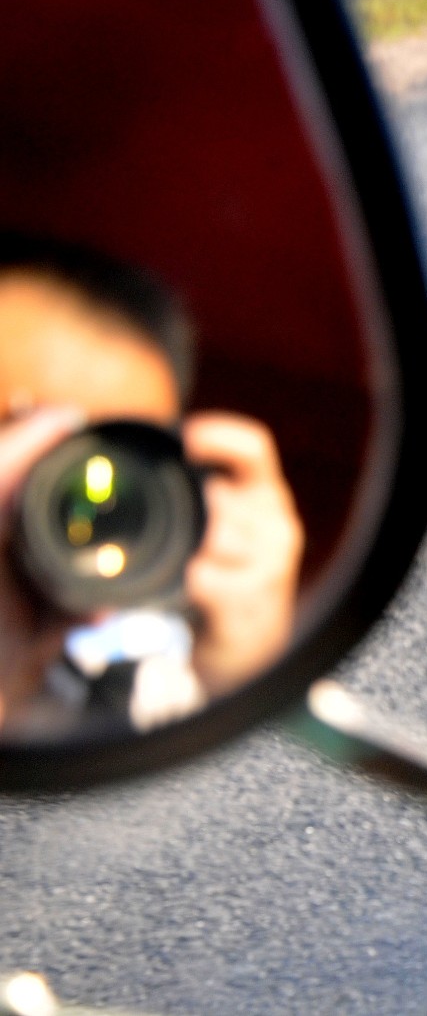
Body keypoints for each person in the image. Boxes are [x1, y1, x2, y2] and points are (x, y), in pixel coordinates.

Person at [0, 239, 301, 733]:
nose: (53, 506)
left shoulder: (136, 681)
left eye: (114, 463)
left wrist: (241, 682)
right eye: (18, 441)